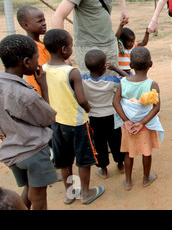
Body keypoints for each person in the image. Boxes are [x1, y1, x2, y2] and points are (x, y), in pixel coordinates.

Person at [42, 29, 104, 205]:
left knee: (63, 160)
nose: (72, 48)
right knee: (83, 159)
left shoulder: (43, 69)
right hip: (77, 123)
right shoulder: (72, 72)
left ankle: (70, 194)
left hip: (56, 123)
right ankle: (85, 193)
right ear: (63, 49)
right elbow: (82, 99)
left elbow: (45, 94)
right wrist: (88, 107)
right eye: (71, 46)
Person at [0, 34, 58, 210]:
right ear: (26, 62)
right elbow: (48, 118)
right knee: (39, 196)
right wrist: (44, 87)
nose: (37, 62)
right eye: (36, 58)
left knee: (29, 188)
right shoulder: (27, 95)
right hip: (33, 151)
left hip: (12, 151)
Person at [52, 0, 129, 77]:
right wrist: (61, 54)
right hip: (88, 48)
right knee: (91, 87)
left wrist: (124, 9)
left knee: (112, 84)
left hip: (110, 44)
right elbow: (58, 16)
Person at [113, 46, 163, 191]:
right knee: (146, 152)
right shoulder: (152, 85)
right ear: (151, 64)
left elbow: (115, 102)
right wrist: (141, 123)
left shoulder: (123, 82)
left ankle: (128, 181)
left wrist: (126, 121)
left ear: (131, 66)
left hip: (128, 126)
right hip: (145, 125)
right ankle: (146, 179)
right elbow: (156, 108)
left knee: (129, 152)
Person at [82, 49, 128, 179]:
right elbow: (129, 79)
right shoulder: (111, 81)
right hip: (112, 117)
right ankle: (120, 164)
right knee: (116, 141)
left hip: (94, 118)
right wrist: (115, 68)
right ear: (104, 67)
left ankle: (103, 170)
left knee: (99, 144)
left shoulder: (83, 80)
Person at [16, 5, 51, 96]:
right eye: (40, 21)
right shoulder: (34, 49)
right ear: (26, 25)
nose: (44, 23)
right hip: (44, 93)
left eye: (44, 20)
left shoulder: (42, 44)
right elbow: (43, 74)